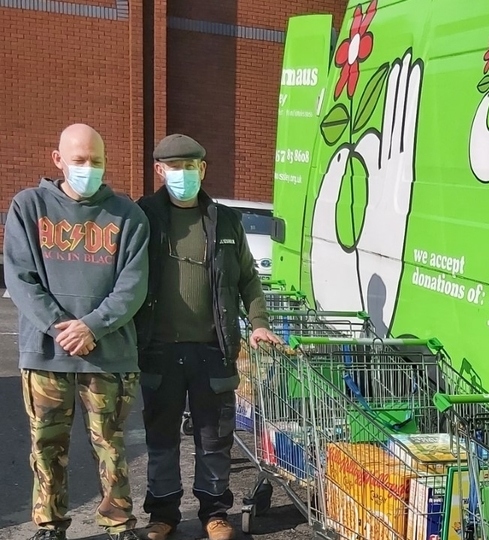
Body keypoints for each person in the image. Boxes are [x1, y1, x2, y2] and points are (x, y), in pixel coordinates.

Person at [3, 123, 150, 540]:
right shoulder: (28, 207)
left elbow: (133, 285)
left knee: (111, 446)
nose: (88, 168)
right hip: (46, 356)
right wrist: (58, 326)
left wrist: (92, 326)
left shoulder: (128, 215)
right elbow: (19, 277)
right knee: (46, 448)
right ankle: (49, 525)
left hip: (109, 355)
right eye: (79, 160)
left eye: (96, 161)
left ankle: (118, 523)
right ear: (58, 160)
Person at [134, 134, 283, 540]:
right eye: (176, 167)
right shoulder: (143, 215)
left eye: (193, 166)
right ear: (160, 171)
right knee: (161, 438)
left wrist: (258, 323)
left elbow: (249, 279)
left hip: (213, 350)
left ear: (203, 169)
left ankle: (215, 512)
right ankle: (162, 513)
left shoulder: (225, 219)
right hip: (158, 350)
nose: (185, 174)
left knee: (214, 439)